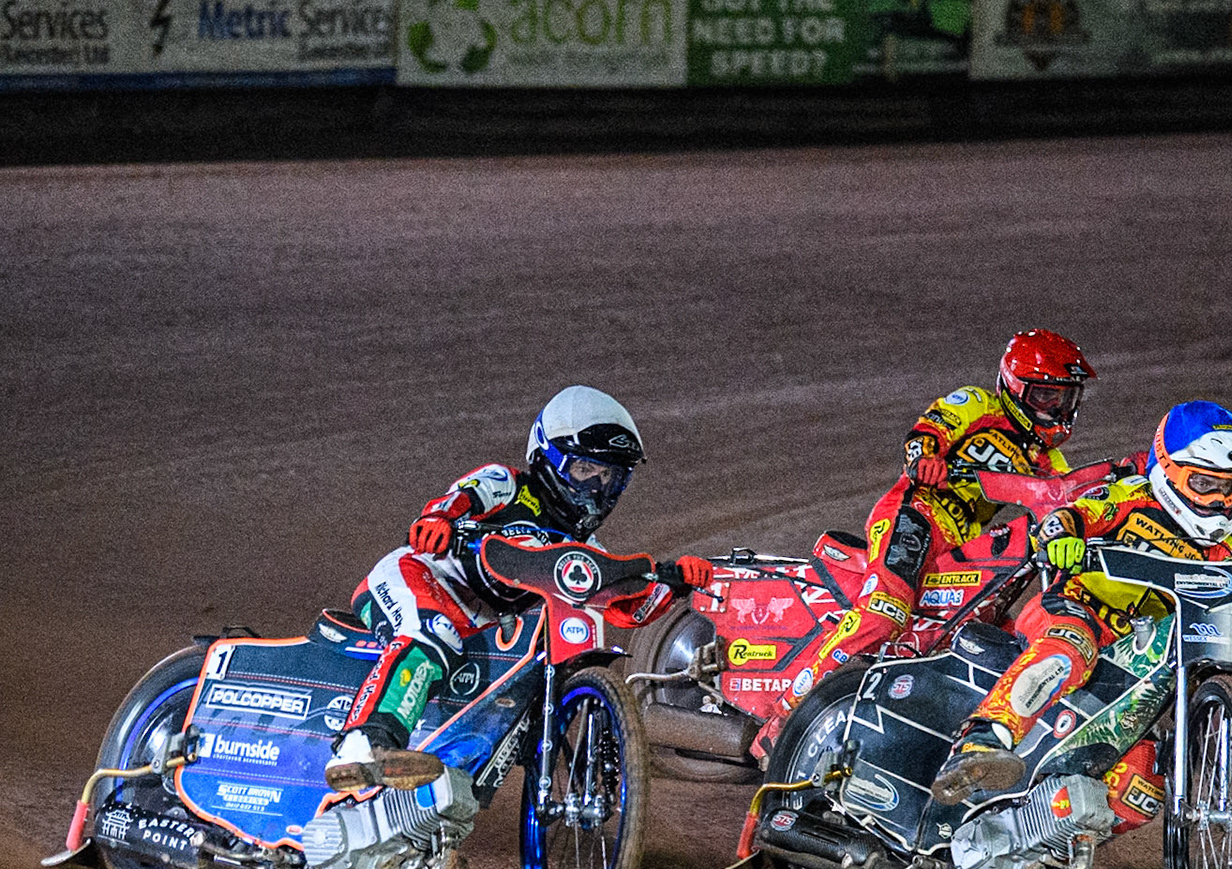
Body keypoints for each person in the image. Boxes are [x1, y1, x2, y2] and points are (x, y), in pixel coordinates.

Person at [931, 400, 1232, 803]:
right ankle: (982, 741)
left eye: (1231, 486)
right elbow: (1071, 515)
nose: (1219, 500)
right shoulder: (1129, 499)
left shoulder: (1224, 547)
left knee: (1140, 786)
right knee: (1070, 646)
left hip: (1138, 658)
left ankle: (1055, 845)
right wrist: (1061, 538)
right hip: (1075, 611)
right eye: (1205, 484)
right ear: (1167, 470)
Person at [749, 328, 1130, 762]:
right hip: (915, 515)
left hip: (959, 547)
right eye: (1045, 396)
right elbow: (926, 432)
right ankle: (780, 722)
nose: (1056, 409)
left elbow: (1062, 498)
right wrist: (925, 456)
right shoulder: (977, 404)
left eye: (1065, 399)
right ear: (1015, 386)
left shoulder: (1046, 462)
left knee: (989, 638)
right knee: (881, 615)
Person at [325, 386, 714, 792]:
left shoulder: (585, 551)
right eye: (585, 470)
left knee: (524, 673)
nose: (597, 488)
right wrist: (437, 522)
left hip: (475, 621)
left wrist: (676, 582)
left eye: (609, 476)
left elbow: (629, 609)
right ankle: (359, 746)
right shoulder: (505, 484)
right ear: (548, 458)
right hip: (418, 574)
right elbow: (455, 501)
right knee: (432, 633)